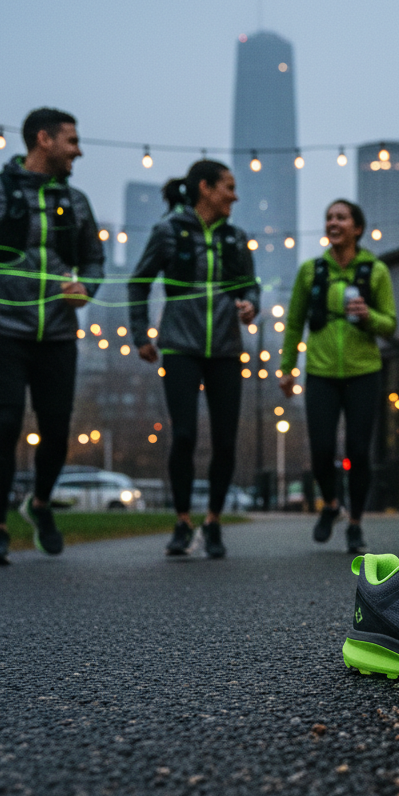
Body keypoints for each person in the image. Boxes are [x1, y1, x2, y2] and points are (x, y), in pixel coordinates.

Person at [0, 108, 104, 566]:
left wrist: (86, 288)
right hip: (3, 329)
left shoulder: (79, 202)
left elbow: (94, 260)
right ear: (43, 140)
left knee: (56, 432)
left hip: (60, 334)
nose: (79, 150)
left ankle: (41, 505)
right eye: (72, 140)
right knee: (5, 426)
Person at [129, 160, 258, 558]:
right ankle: (183, 521)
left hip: (225, 349)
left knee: (225, 441)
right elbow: (139, 281)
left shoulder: (236, 238)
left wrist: (251, 305)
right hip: (180, 346)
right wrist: (141, 335)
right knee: (183, 435)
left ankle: (214, 522)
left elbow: (251, 287)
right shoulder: (168, 232)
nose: (235, 196)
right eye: (229, 187)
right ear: (205, 187)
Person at [279, 199, 396, 554]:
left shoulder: (375, 271)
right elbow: (295, 322)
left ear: (357, 228)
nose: (333, 223)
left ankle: (356, 523)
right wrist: (286, 368)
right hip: (320, 371)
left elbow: (390, 325)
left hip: (364, 371)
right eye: (329, 217)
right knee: (321, 450)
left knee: (359, 452)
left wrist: (368, 317)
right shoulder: (310, 271)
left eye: (341, 218)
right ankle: (331, 504)